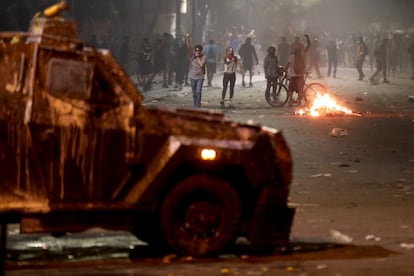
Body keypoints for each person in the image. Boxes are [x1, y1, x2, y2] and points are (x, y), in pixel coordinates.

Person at [286, 34, 311, 107]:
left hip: (295, 75)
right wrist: (308, 38)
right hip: (298, 74)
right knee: (297, 88)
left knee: (292, 88)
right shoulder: (300, 54)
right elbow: (308, 46)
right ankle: (297, 101)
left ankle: (292, 101)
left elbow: (288, 64)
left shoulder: (293, 55)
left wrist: (284, 70)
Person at [185, 33, 206, 108]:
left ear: (201, 51)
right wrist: (187, 38)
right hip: (192, 76)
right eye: (196, 50)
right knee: (194, 92)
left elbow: (201, 65)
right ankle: (195, 104)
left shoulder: (203, 57)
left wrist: (197, 57)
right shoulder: (192, 55)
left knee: (198, 91)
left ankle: (198, 105)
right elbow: (188, 47)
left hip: (200, 77)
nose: (197, 51)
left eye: (199, 50)